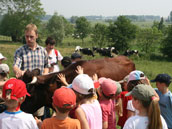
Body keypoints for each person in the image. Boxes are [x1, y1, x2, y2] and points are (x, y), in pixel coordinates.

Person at [13, 23, 49, 119]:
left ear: (37, 35)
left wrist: (44, 75)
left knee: (38, 116)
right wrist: (19, 71)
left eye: (31, 37)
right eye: (27, 36)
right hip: (25, 89)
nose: (29, 39)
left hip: (39, 88)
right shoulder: (20, 51)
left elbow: (46, 65)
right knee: (24, 114)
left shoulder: (43, 51)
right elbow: (16, 66)